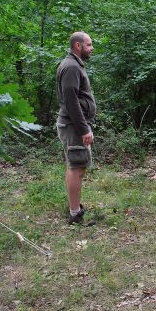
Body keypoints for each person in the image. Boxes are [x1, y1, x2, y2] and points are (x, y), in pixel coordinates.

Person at [56, 31, 96, 226]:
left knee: (75, 166)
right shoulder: (71, 67)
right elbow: (71, 102)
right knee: (77, 168)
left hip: (74, 125)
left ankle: (75, 207)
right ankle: (75, 214)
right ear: (78, 46)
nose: (92, 48)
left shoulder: (73, 64)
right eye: (89, 45)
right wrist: (83, 129)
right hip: (73, 126)